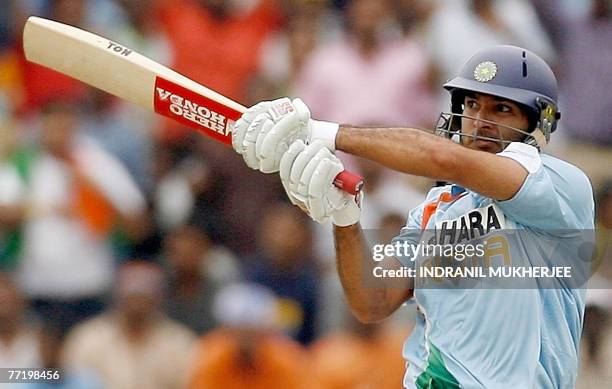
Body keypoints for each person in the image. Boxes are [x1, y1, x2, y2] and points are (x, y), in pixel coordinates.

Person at [231, 45, 595, 388]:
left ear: (537, 123)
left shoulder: (560, 186)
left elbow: (444, 159)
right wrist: (344, 219)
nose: (480, 121)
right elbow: (371, 302)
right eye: (471, 104)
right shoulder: (436, 208)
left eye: (501, 109)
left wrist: (322, 132)